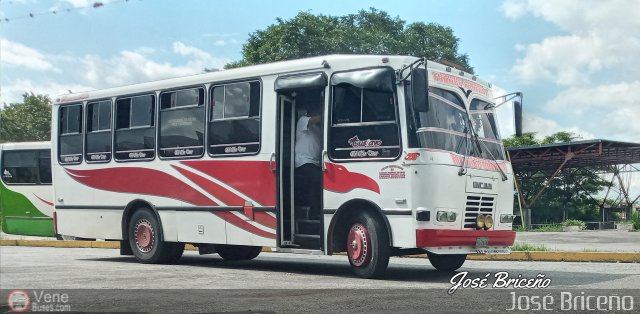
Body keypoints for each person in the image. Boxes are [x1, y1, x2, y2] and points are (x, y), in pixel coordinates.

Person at [294, 102, 323, 220]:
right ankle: (314, 212)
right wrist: (327, 113)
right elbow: (315, 120)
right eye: (316, 111)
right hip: (304, 161)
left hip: (316, 162)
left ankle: (317, 209)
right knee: (315, 179)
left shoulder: (318, 129)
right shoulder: (303, 120)